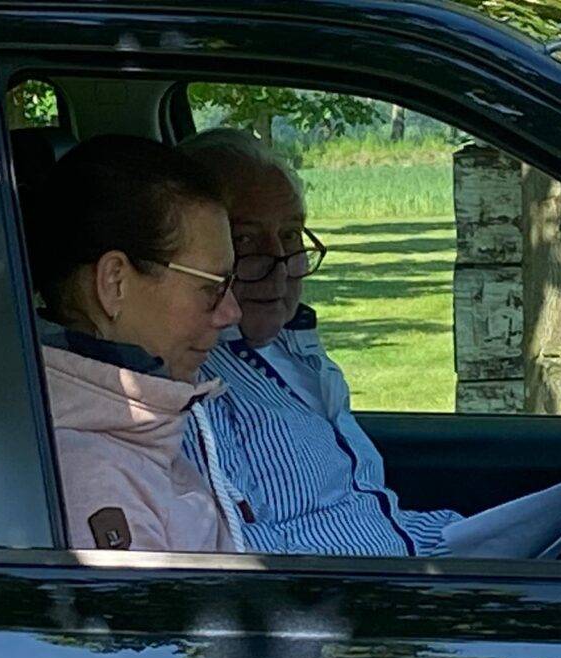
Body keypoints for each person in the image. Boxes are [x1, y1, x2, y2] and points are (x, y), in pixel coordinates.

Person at [180, 129, 463, 556]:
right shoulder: (190, 377)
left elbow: (368, 506)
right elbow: (248, 557)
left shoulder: (295, 350)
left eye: (291, 235)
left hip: (414, 559)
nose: (280, 265)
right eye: (245, 240)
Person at [27, 135, 247, 553]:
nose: (231, 312)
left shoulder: (131, 434)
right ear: (115, 283)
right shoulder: (93, 480)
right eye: (212, 287)